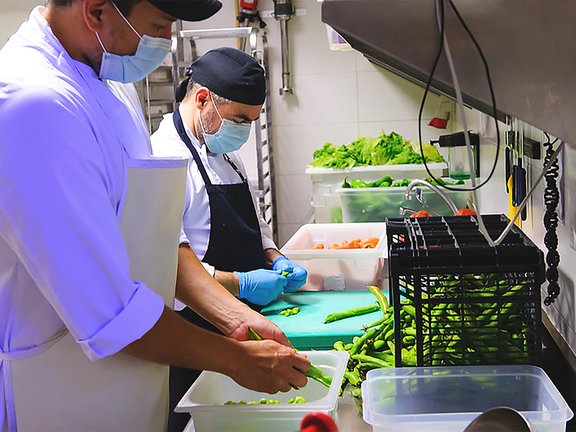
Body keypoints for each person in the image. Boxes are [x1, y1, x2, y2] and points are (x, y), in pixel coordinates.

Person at [0, 1, 309, 431]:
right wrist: (235, 358)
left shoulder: (110, 84)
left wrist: (235, 317)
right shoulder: (33, 106)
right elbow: (109, 312)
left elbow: (156, 237)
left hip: (135, 373)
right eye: (159, 26)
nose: (165, 46)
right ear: (96, 11)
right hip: (60, 389)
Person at [151, 47, 309, 430]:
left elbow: (255, 222)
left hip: (242, 323)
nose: (245, 130)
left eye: (252, 121)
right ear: (203, 98)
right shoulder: (163, 159)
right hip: (194, 335)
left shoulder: (227, 154)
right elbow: (166, 269)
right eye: (240, 119)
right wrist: (243, 283)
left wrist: (273, 256)